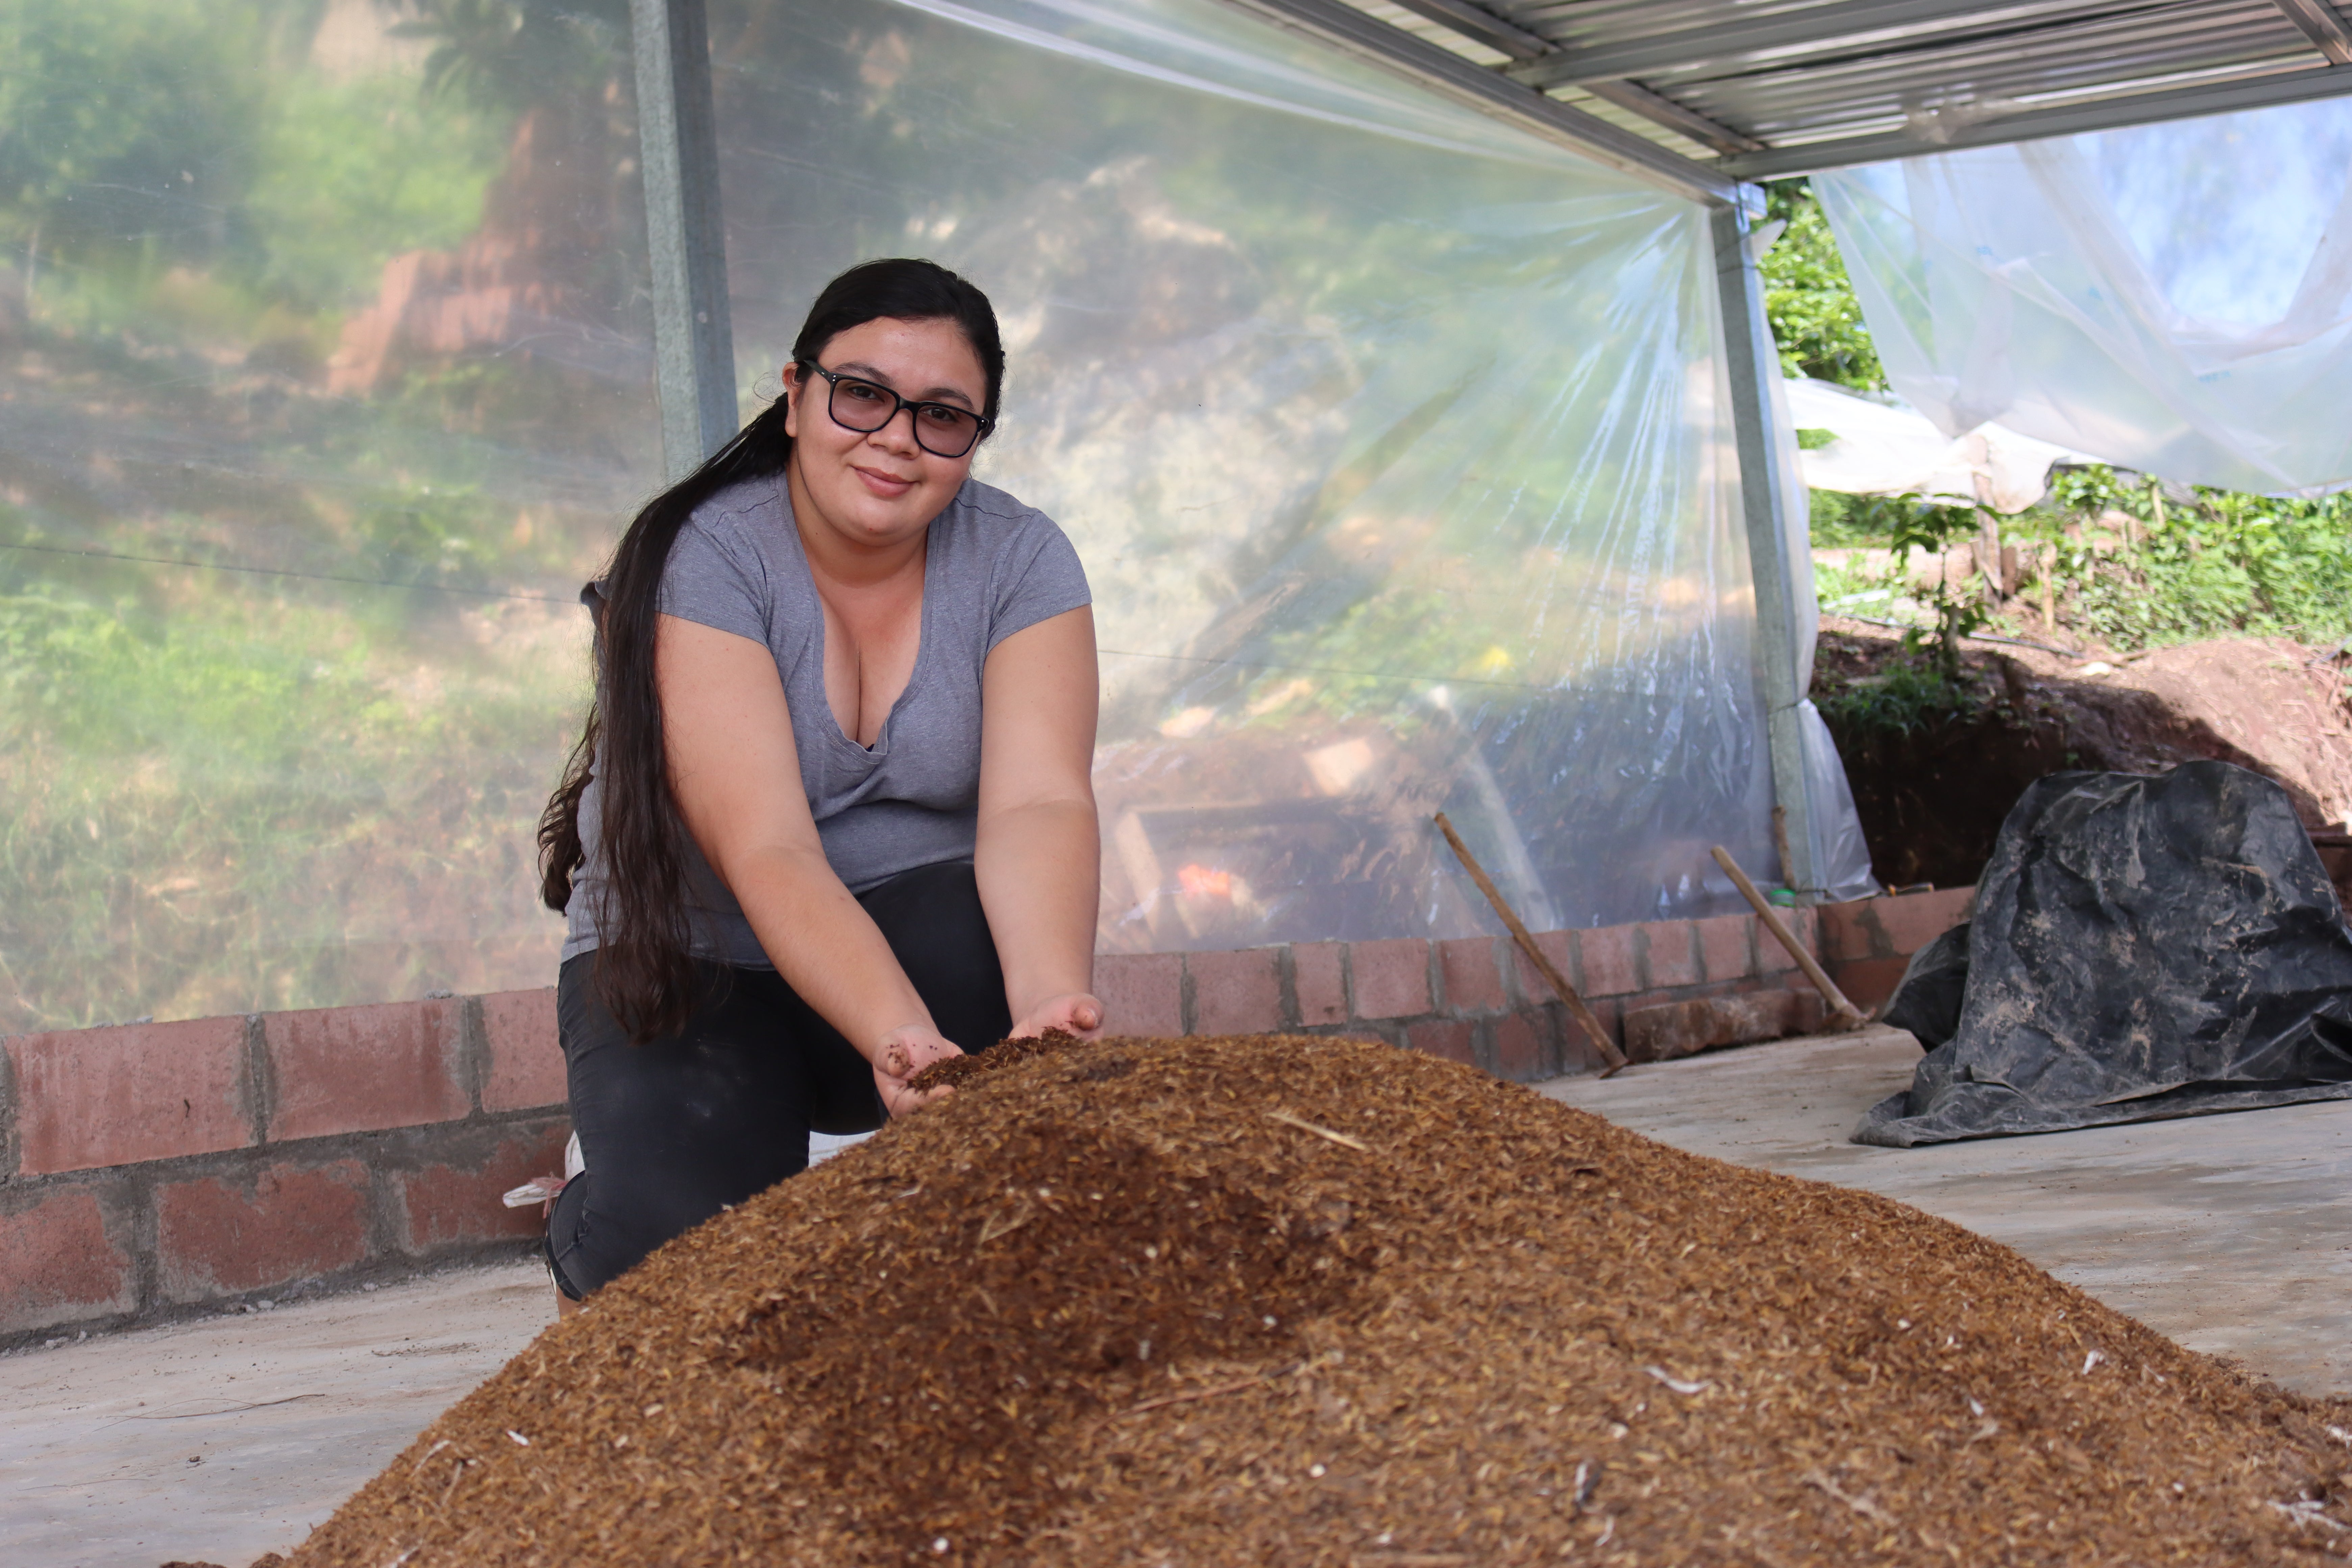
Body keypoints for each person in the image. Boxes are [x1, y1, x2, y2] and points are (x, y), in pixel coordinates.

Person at [534, 258, 1103, 1305]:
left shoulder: (1022, 560)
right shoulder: (707, 555)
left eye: (943, 416)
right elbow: (768, 846)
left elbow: (1040, 803)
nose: (896, 437)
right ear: (796, 395)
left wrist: (1047, 1008)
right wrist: (904, 1043)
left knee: (998, 984)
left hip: (909, 936)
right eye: (863, 393)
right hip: (698, 965)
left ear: (975, 441)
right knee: (683, 1265)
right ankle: (604, 1186)